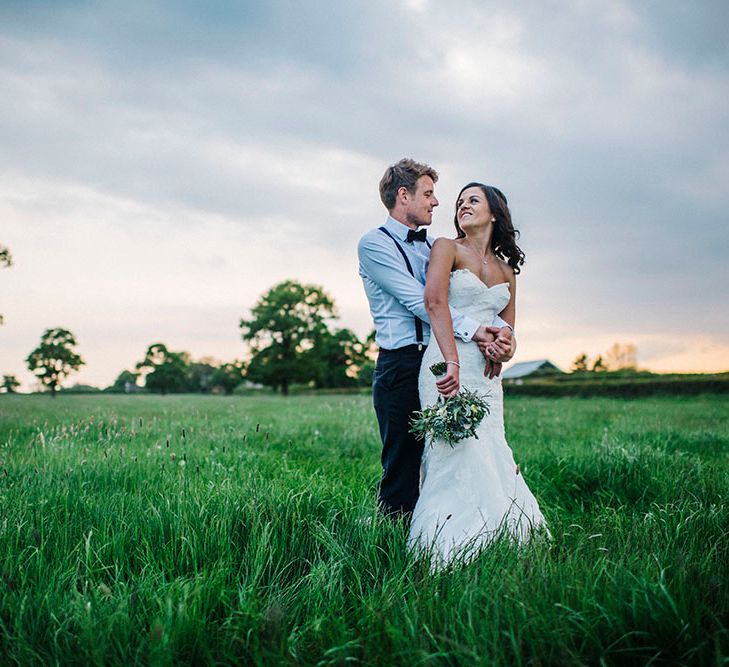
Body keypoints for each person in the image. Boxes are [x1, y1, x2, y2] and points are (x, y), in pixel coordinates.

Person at [357, 160, 514, 521]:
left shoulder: (437, 247)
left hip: (441, 357)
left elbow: (465, 296)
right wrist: (476, 330)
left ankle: (454, 527)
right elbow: (421, 300)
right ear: (403, 195)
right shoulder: (373, 245)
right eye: (428, 194)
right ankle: (393, 545)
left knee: (450, 452)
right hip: (401, 362)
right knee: (403, 462)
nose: (436, 203)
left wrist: (499, 339)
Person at [408, 182, 547, 567]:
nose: (463, 206)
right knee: (452, 450)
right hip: (446, 363)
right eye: (459, 202)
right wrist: (452, 360)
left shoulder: (506, 270)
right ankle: (444, 546)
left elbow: (511, 331)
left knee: (490, 447)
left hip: (487, 376)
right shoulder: (446, 248)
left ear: (494, 212)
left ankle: (498, 533)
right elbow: (434, 302)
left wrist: (506, 349)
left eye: (473, 200)